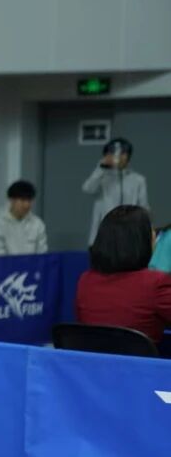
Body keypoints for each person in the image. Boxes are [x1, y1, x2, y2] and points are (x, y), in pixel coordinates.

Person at [76, 205, 171, 345]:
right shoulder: (156, 284)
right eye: (151, 231)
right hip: (139, 360)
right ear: (141, 241)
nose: (154, 236)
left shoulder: (85, 281)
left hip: (92, 359)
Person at [82, 137, 147, 246]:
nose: (119, 157)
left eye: (123, 153)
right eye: (114, 153)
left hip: (129, 235)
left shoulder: (138, 180)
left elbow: (143, 207)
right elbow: (88, 189)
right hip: (103, 235)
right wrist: (101, 168)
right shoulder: (101, 177)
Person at [0, 180, 48, 256]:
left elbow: (42, 254)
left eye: (29, 200)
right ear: (11, 200)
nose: (26, 205)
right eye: (23, 200)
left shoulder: (38, 224)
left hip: (32, 264)